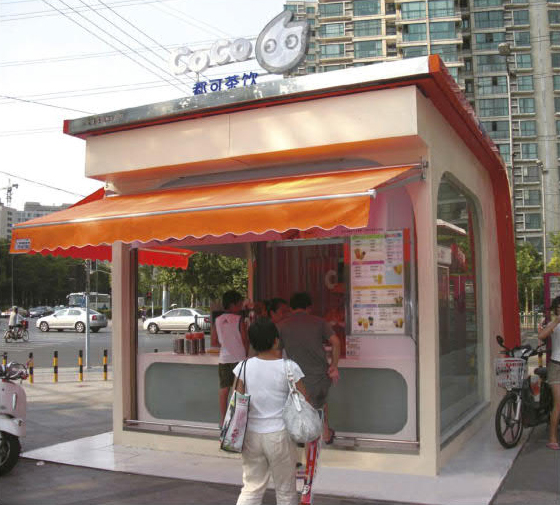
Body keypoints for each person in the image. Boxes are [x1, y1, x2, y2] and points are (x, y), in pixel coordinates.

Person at [233, 317, 306, 505]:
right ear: (276, 340)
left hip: (251, 435)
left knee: (251, 488)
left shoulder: (243, 367)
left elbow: (237, 402)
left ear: (252, 343)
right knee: (285, 491)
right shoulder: (289, 367)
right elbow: (304, 401)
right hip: (280, 434)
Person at [277, 292, 340, 443]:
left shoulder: (282, 326)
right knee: (320, 405)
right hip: (319, 376)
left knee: (300, 407)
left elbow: (278, 354)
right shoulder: (319, 322)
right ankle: (324, 433)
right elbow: (336, 342)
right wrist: (334, 365)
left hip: (295, 377)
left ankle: (304, 437)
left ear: (291, 308)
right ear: (309, 307)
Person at [215, 290, 249, 426]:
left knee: (224, 388)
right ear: (233, 304)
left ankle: (223, 419)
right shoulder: (239, 319)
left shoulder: (218, 320)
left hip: (224, 358)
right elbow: (245, 339)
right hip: (239, 358)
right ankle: (235, 420)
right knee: (238, 390)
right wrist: (246, 354)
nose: (241, 307)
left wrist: (225, 344)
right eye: (240, 304)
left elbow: (215, 341)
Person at [537, 295, 560, 450]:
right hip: (556, 366)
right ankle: (552, 438)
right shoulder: (553, 324)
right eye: (558, 308)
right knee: (558, 403)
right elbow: (541, 336)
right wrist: (556, 321)